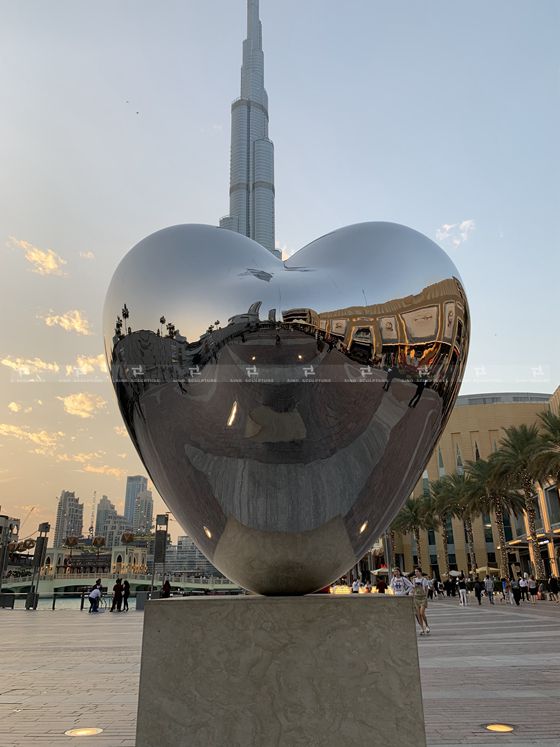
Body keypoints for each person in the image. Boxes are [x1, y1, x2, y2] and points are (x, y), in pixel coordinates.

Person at [412, 567, 430, 635]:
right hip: (416, 598)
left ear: (420, 572)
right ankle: (422, 628)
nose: (416, 573)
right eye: (415, 572)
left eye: (417, 571)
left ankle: (427, 625)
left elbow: (426, 589)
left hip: (423, 597)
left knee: (422, 613)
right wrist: (413, 596)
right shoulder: (414, 580)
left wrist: (426, 597)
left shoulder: (424, 579)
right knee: (418, 614)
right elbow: (413, 589)